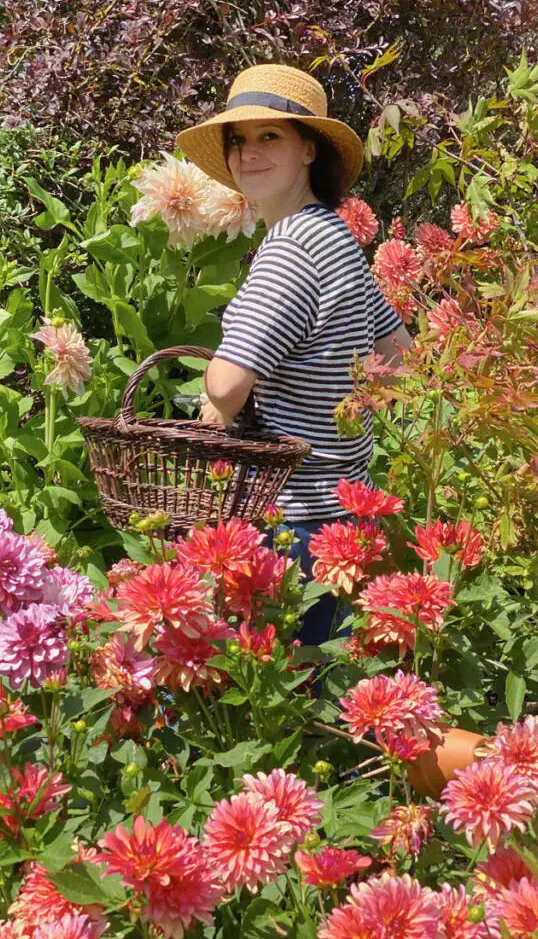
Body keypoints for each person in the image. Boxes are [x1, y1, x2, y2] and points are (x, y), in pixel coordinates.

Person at [175, 64, 412, 644]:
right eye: (238, 140)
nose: (247, 153)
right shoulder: (335, 237)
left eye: (269, 136)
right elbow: (404, 356)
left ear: (309, 149)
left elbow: (227, 386)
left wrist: (219, 382)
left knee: (274, 697)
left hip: (292, 519)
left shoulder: (290, 251)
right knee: (329, 694)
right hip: (349, 512)